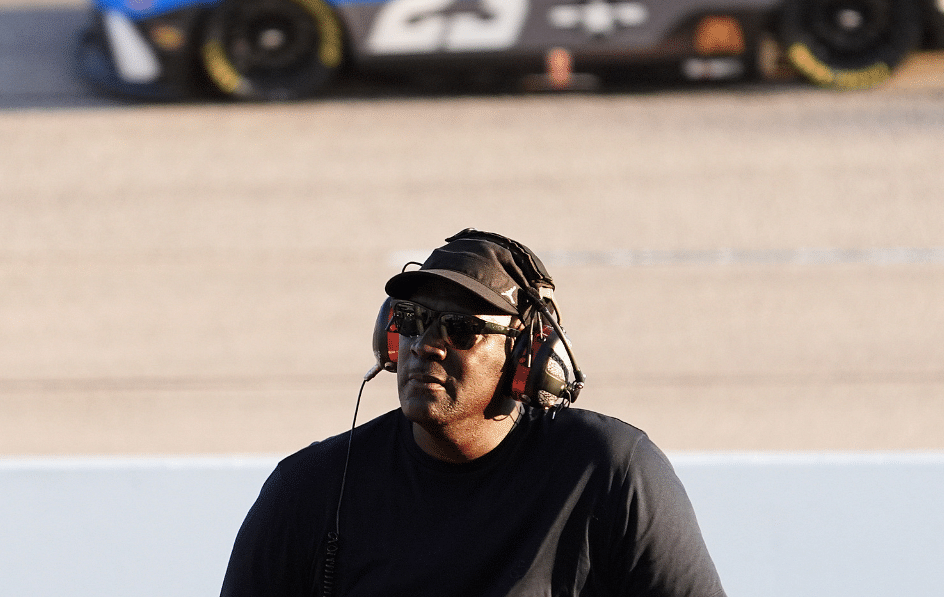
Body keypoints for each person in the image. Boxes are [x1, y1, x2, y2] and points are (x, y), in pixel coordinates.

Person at [219, 229, 726, 597]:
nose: (425, 346)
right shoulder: (310, 488)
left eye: (461, 329)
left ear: (529, 357)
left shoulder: (609, 471)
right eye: (414, 322)